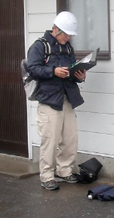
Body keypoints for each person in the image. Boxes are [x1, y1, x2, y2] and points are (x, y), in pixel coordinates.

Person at [27, 11, 86, 190]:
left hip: (67, 98)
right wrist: (53, 71)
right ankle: (46, 176)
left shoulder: (68, 48)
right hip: (49, 101)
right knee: (50, 140)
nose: (68, 38)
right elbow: (33, 69)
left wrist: (79, 76)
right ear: (55, 29)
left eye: (70, 35)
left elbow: (71, 70)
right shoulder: (39, 46)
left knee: (70, 138)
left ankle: (64, 171)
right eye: (66, 34)